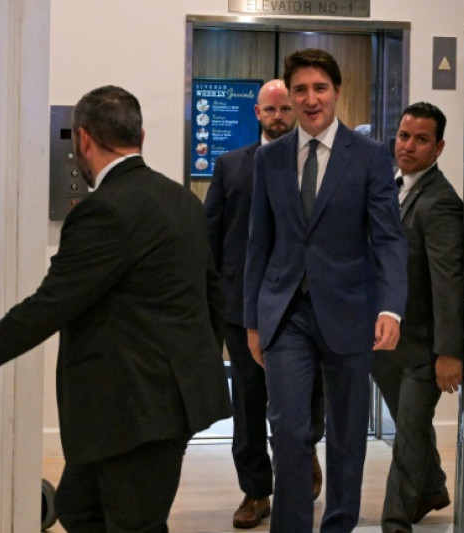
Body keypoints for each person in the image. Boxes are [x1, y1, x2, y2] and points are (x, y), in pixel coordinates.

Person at [0, 85, 232, 533]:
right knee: (79, 508)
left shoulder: (103, 210)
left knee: (133, 523)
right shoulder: (182, 199)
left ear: (82, 139)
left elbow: (50, 306)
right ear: (139, 135)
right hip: (154, 405)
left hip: (134, 410)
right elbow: (211, 296)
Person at [243, 48, 408, 533]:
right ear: (289, 97)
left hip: (351, 312)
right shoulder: (270, 159)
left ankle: (338, 524)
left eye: (319, 88)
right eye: (300, 90)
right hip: (286, 311)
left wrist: (391, 308)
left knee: (347, 435)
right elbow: (260, 242)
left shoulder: (372, 156)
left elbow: (388, 238)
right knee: (290, 431)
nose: (310, 99)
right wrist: (254, 320)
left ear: (337, 92)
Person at [203, 79, 325, 530]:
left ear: (295, 111)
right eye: (270, 109)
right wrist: (211, 306)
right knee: (250, 403)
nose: (278, 116)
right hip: (244, 307)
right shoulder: (231, 166)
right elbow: (211, 240)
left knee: (309, 394)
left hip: (303, 302)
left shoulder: (314, 165)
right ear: (257, 112)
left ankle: (305, 451)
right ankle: (255, 490)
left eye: (284, 109)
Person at [371, 102, 463, 533]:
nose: (408, 146)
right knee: (413, 428)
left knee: (407, 437)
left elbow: (448, 282)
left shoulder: (441, 203)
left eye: (421, 139)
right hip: (387, 344)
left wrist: (449, 352)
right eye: (404, 136)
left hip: (424, 349)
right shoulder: (390, 186)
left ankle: (394, 524)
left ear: (439, 147)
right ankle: (432, 490)